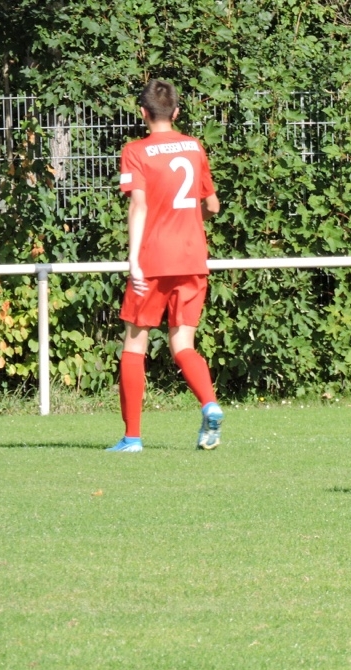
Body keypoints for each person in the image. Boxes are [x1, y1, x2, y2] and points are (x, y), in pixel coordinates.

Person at [106, 79, 224, 452]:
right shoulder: (194, 146)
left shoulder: (135, 151)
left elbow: (138, 205)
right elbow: (213, 205)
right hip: (192, 257)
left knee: (134, 343)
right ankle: (209, 404)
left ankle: (132, 438)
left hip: (153, 258)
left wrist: (133, 258)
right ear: (176, 112)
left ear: (143, 112)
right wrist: (191, 218)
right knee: (183, 343)